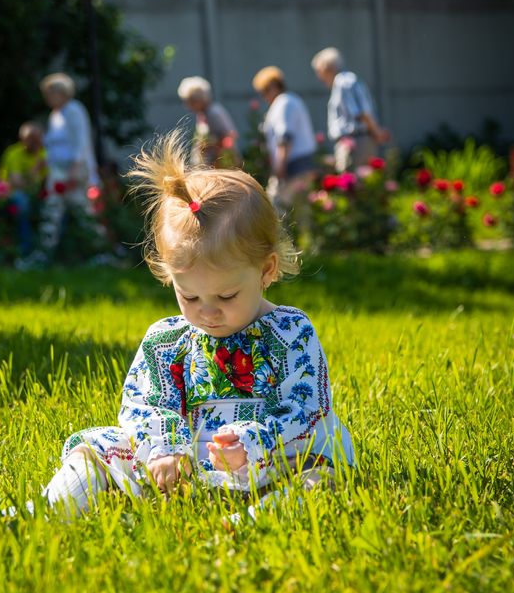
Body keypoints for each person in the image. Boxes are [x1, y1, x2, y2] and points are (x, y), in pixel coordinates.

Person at [39, 131, 355, 519]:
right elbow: (147, 400)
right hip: (186, 465)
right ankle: (50, 510)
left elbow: (304, 407)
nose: (207, 313)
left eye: (226, 297)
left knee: (321, 468)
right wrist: (167, 447)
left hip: (270, 458)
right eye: (189, 297)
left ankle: (257, 518)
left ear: (266, 270)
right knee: (100, 448)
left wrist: (252, 442)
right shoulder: (168, 340)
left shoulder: (290, 332)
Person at [20, 72, 102, 268]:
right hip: (57, 173)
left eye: (49, 93)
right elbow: (52, 146)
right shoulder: (55, 115)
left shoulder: (74, 110)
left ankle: (100, 252)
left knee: (82, 213)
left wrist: (74, 172)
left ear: (62, 92)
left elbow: (80, 143)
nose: (47, 98)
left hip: (72, 173)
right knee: (53, 212)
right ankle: (44, 254)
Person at [311, 47, 391, 172]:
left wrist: (377, 132)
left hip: (355, 142)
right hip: (359, 141)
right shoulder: (348, 80)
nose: (319, 77)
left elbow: (361, 113)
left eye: (318, 71)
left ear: (327, 68)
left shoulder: (343, 82)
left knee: (351, 185)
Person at [251, 66, 316, 212]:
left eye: (265, 91)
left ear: (274, 86)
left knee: (275, 208)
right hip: (301, 165)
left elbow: (285, 136)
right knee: (301, 210)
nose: (264, 97)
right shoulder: (291, 100)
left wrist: (280, 166)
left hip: (292, 167)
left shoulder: (283, 103)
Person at [0, 122, 47, 259]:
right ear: (22, 140)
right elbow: (16, 183)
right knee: (23, 203)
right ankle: (26, 251)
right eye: (32, 139)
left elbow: (48, 180)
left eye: (38, 139)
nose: (36, 143)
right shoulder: (14, 153)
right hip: (12, 195)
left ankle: (46, 250)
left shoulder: (44, 153)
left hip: (35, 195)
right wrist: (36, 169)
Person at [177, 76, 239, 168]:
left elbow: (230, 136)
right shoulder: (203, 114)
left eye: (190, 102)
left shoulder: (214, 113)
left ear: (199, 100)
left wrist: (210, 145)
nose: (188, 106)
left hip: (218, 167)